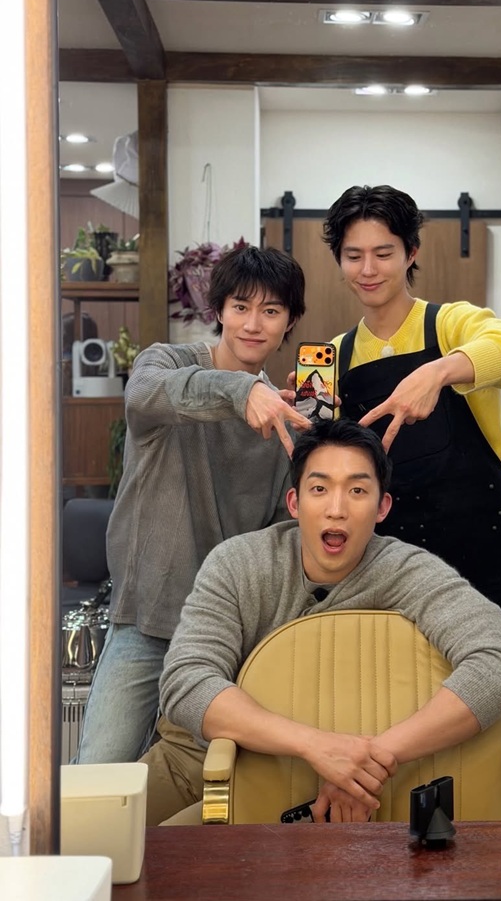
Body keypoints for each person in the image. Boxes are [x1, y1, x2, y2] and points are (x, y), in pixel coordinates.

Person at [143, 418, 501, 824]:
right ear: (295, 503)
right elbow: (186, 681)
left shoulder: (406, 570)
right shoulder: (238, 563)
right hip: (203, 757)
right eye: (320, 489)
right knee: (104, 836)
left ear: (382, 507)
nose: (337, 509)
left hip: (368, 781)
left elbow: (498, 664)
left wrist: (369, 762)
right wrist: (316, 745)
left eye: (357, 490)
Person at [323, 185, 501, 729]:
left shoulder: (451, 324)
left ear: (411, 252)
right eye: (353, 255)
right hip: (394, 567)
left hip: (489, 551)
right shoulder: (335, 355)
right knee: (401, 720)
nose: (368, 269)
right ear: (339, 261)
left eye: (383, 252)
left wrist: (439, 371)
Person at [75, 245, 311, 764]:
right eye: (241, 307)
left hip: (225, 635)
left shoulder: (281, 421)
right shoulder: (167, 362)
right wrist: (241, 392)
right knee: (99, 773)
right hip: (147, 618)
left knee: (214, 785)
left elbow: (279, 536)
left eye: (271, 311)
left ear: (289, 322)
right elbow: (145, 395)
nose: (253, 324)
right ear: (219, 310)